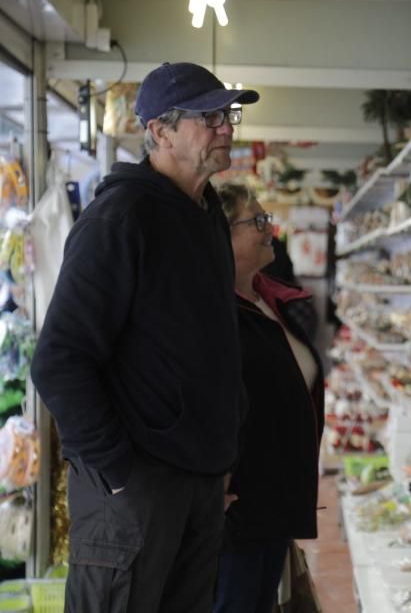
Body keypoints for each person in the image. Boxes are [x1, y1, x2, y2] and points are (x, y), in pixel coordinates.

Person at [31, 62, 258, 612]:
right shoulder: (121, 217)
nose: (226, 127)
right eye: (209, 117)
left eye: (226, 115)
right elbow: (59, 360)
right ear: (160, 132)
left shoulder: (203, 213)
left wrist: (216, 455)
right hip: (136, 488)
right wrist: (117, 473)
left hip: (195, 485)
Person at [214, 183, 324, 613]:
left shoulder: (266, 299)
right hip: (238, 510)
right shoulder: (213, 312)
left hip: (272, 505)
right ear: (221, 234)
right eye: (256, 221)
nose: (269, 229)